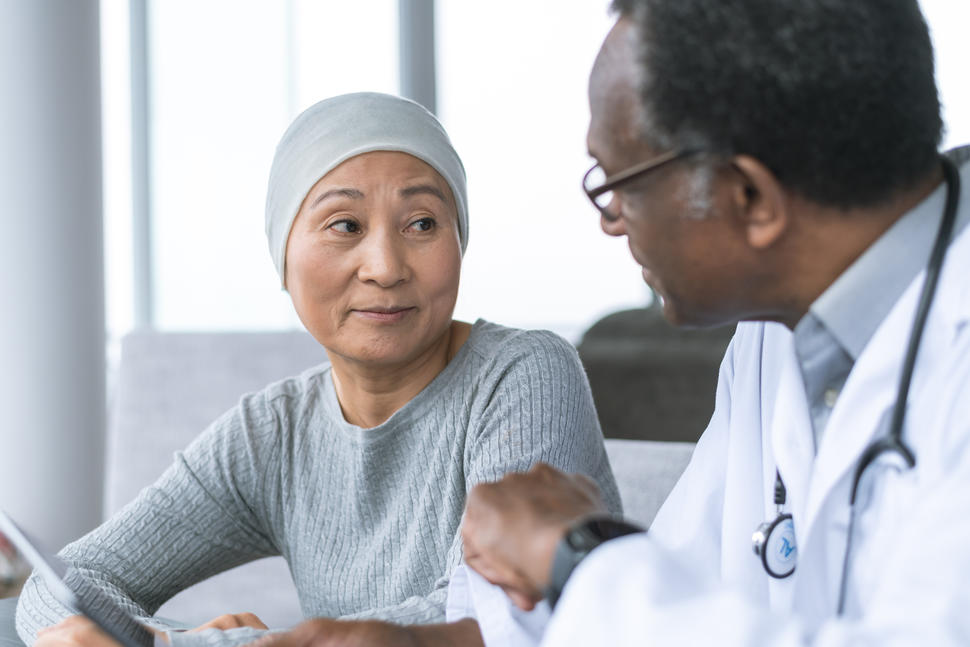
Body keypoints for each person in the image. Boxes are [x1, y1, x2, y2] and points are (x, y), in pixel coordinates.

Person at [15, 92, 621, 647]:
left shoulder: (524, 374)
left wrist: (191, 646)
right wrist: (154, 637)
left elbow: (494, 618)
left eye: (423, 224)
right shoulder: (271, 435)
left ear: (459, 242)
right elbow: (65, 584)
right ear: (283, 258)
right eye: (344, 226)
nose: (385, 266)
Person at [455, 0, 970, 645]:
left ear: (749, 197)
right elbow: (682, 583)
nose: (610, 218)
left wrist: (579, 553)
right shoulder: (774, 330)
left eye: (620, 181)